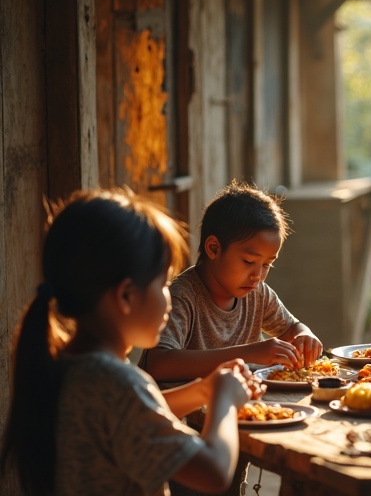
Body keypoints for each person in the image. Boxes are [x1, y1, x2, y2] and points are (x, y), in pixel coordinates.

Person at [0, 188, 264, 496]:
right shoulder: (115, 382)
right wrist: (224, 401)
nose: (169, 298)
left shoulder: (76, 368)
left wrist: (204, 389)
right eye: (163, 284)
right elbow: (214, 473)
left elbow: (138, 413)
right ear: (126, 296)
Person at [141, 180, 323, 384]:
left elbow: (290, 329)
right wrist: (249, 353)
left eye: (267, 264)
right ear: (214, 248)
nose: (258, 276)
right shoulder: (183, 297)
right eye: (249, 262)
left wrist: (304, 334)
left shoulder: (258, 294)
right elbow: (158, 364)